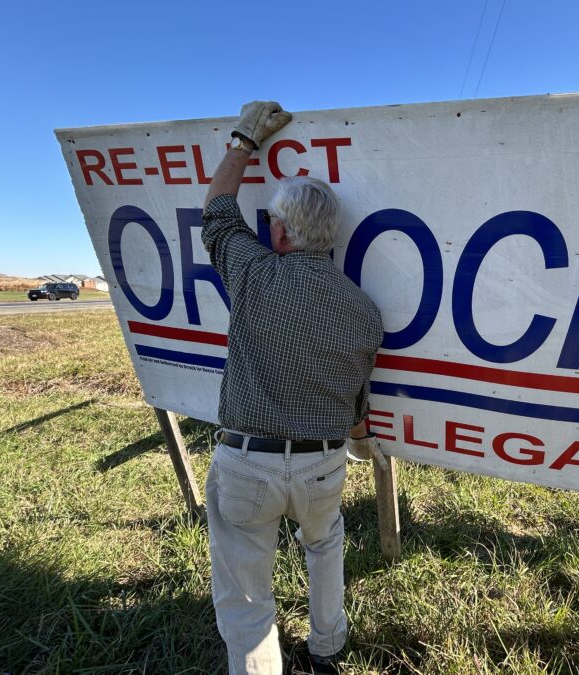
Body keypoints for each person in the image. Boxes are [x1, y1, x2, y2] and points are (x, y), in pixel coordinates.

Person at [201, 100, 387, 675]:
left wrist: (243, 141)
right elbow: (356, 397)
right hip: (324, 464)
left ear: (279, 231)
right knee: (325, 548)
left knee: (248, 592)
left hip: (247, 463)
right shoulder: (364, 310)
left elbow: (218, 212)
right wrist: (360, 439)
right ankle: (328, 649)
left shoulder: (254, 273)